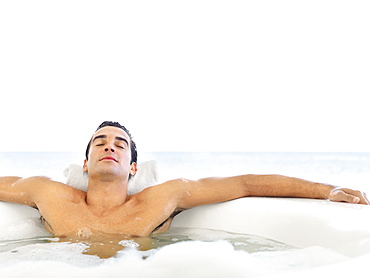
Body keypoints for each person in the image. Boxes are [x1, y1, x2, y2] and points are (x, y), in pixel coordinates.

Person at [0, 121, 368, 240]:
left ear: (132, 167)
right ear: (85, 163)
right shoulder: (46, 192)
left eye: (120, 144)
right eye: (100, 142)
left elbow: (245, 183)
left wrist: (326, 190)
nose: (109, 147)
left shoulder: (164, 198)